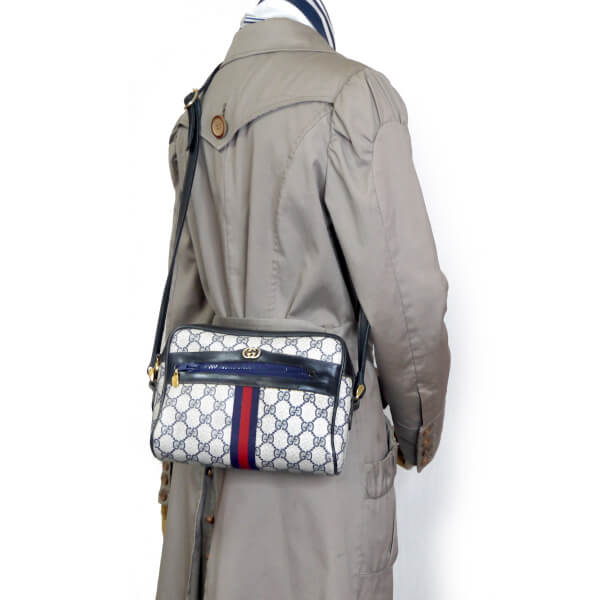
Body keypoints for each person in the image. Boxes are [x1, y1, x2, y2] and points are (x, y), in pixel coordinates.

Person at [154, 1, 450, 598]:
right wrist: (416, 430)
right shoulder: (353, 98)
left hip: (211, 461)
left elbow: (185, 303)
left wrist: (171, 464)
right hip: (324, 469)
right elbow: (407, 295)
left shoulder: (196, 112)